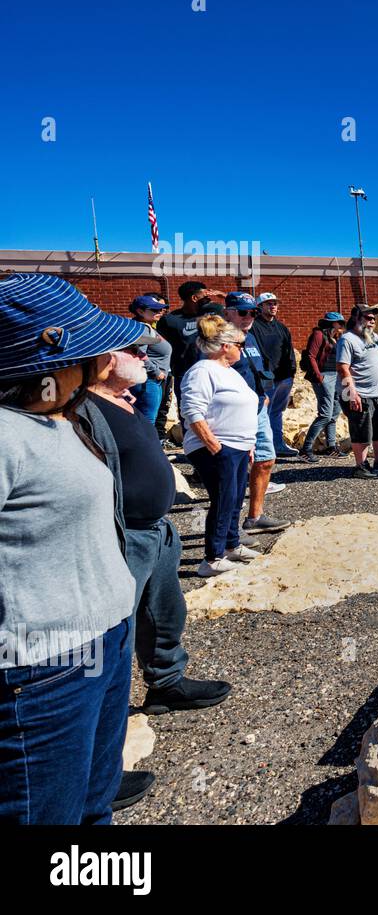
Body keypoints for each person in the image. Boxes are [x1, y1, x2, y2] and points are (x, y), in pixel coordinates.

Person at [0, 273, 153, 824]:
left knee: (93, 803)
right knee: (46, 815)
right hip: (43, 666)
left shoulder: (64, 418)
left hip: (104, 638)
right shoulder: (6, 434)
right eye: (90, 350)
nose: (102, 360)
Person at [84, 346, 234, 811]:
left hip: (156, 531)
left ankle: (166, 683)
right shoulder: (80, 408)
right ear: (103, 361)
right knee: (108, 643)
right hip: (123, 536)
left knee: (165, 613)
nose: (144, 357)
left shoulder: (121, 400)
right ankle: (91, 775)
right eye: (132, 351)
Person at [179, 315, 263, 577]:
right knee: (223, 499)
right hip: (218, 447)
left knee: (235, 498)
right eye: (240, 343)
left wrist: (247, 443)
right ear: (225, 345)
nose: (243, 348)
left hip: (237, 446)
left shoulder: (229, 372)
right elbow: (192, 410)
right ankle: (212, 558)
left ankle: (231, 545)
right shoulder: (202, 371)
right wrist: (214, 445)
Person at [222, 293, 290, 532]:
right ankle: (227, 533)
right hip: (235, 413)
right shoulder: (218, 340)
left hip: (258, 405)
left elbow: (256, 368)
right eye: (242, 312)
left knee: (266, 459)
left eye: (252, 312)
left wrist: (264, 393)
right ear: (227, 312)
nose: (249, 316)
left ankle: (254, 517)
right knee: (237, 468)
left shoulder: (249, 337)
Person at [337, 304, 378, 479]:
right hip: (358, 393)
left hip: (376, 394)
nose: (372, 321)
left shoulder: (371, 337)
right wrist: (352, 393)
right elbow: (343, 368)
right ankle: (360, 466)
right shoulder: (347, 339)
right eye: (368, 318)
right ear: (357, 318)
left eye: (374, 318)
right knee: (361, 430)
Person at [155, 281, 210, 440]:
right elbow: (161, 348)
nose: (208, 298)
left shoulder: (209, 316)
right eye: (204, 295)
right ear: (194, 297)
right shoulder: (170, 320)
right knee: (188, 415)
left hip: (211, 373)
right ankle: (192, 450)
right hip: (184, 375)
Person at [251, 292, 299, 458]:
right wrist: (263, 373)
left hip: (284, 377)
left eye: (275, 304)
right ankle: (262, 448)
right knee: (262, 412)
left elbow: (289, 350)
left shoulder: (281, 327)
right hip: (266, 378)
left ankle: (278, 445)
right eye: (269, 304)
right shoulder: (254, 326)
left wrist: (292, 371)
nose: (273, 306)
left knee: (277, 412)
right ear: (260, 306)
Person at [300, 312, 347, 462]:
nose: (341, 326)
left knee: (334, 412)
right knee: (325, 414)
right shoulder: (318, 334)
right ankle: (306, 449)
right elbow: (311, 356)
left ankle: (331, 447)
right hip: (324, 376)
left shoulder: (335, 337)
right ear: (332, 323)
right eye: (340, 323)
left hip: (336, 376)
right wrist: (319, 375)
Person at [125, 294, 171, 429]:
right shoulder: (143, 328)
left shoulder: (144, 326)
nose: (159, 312)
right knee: (148, 423)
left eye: (160, 309)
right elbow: (137, 353)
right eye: (154, 310)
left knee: (143, 421)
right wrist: (156, 372)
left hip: (148, 381)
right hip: (148, 381)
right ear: (140, 311)